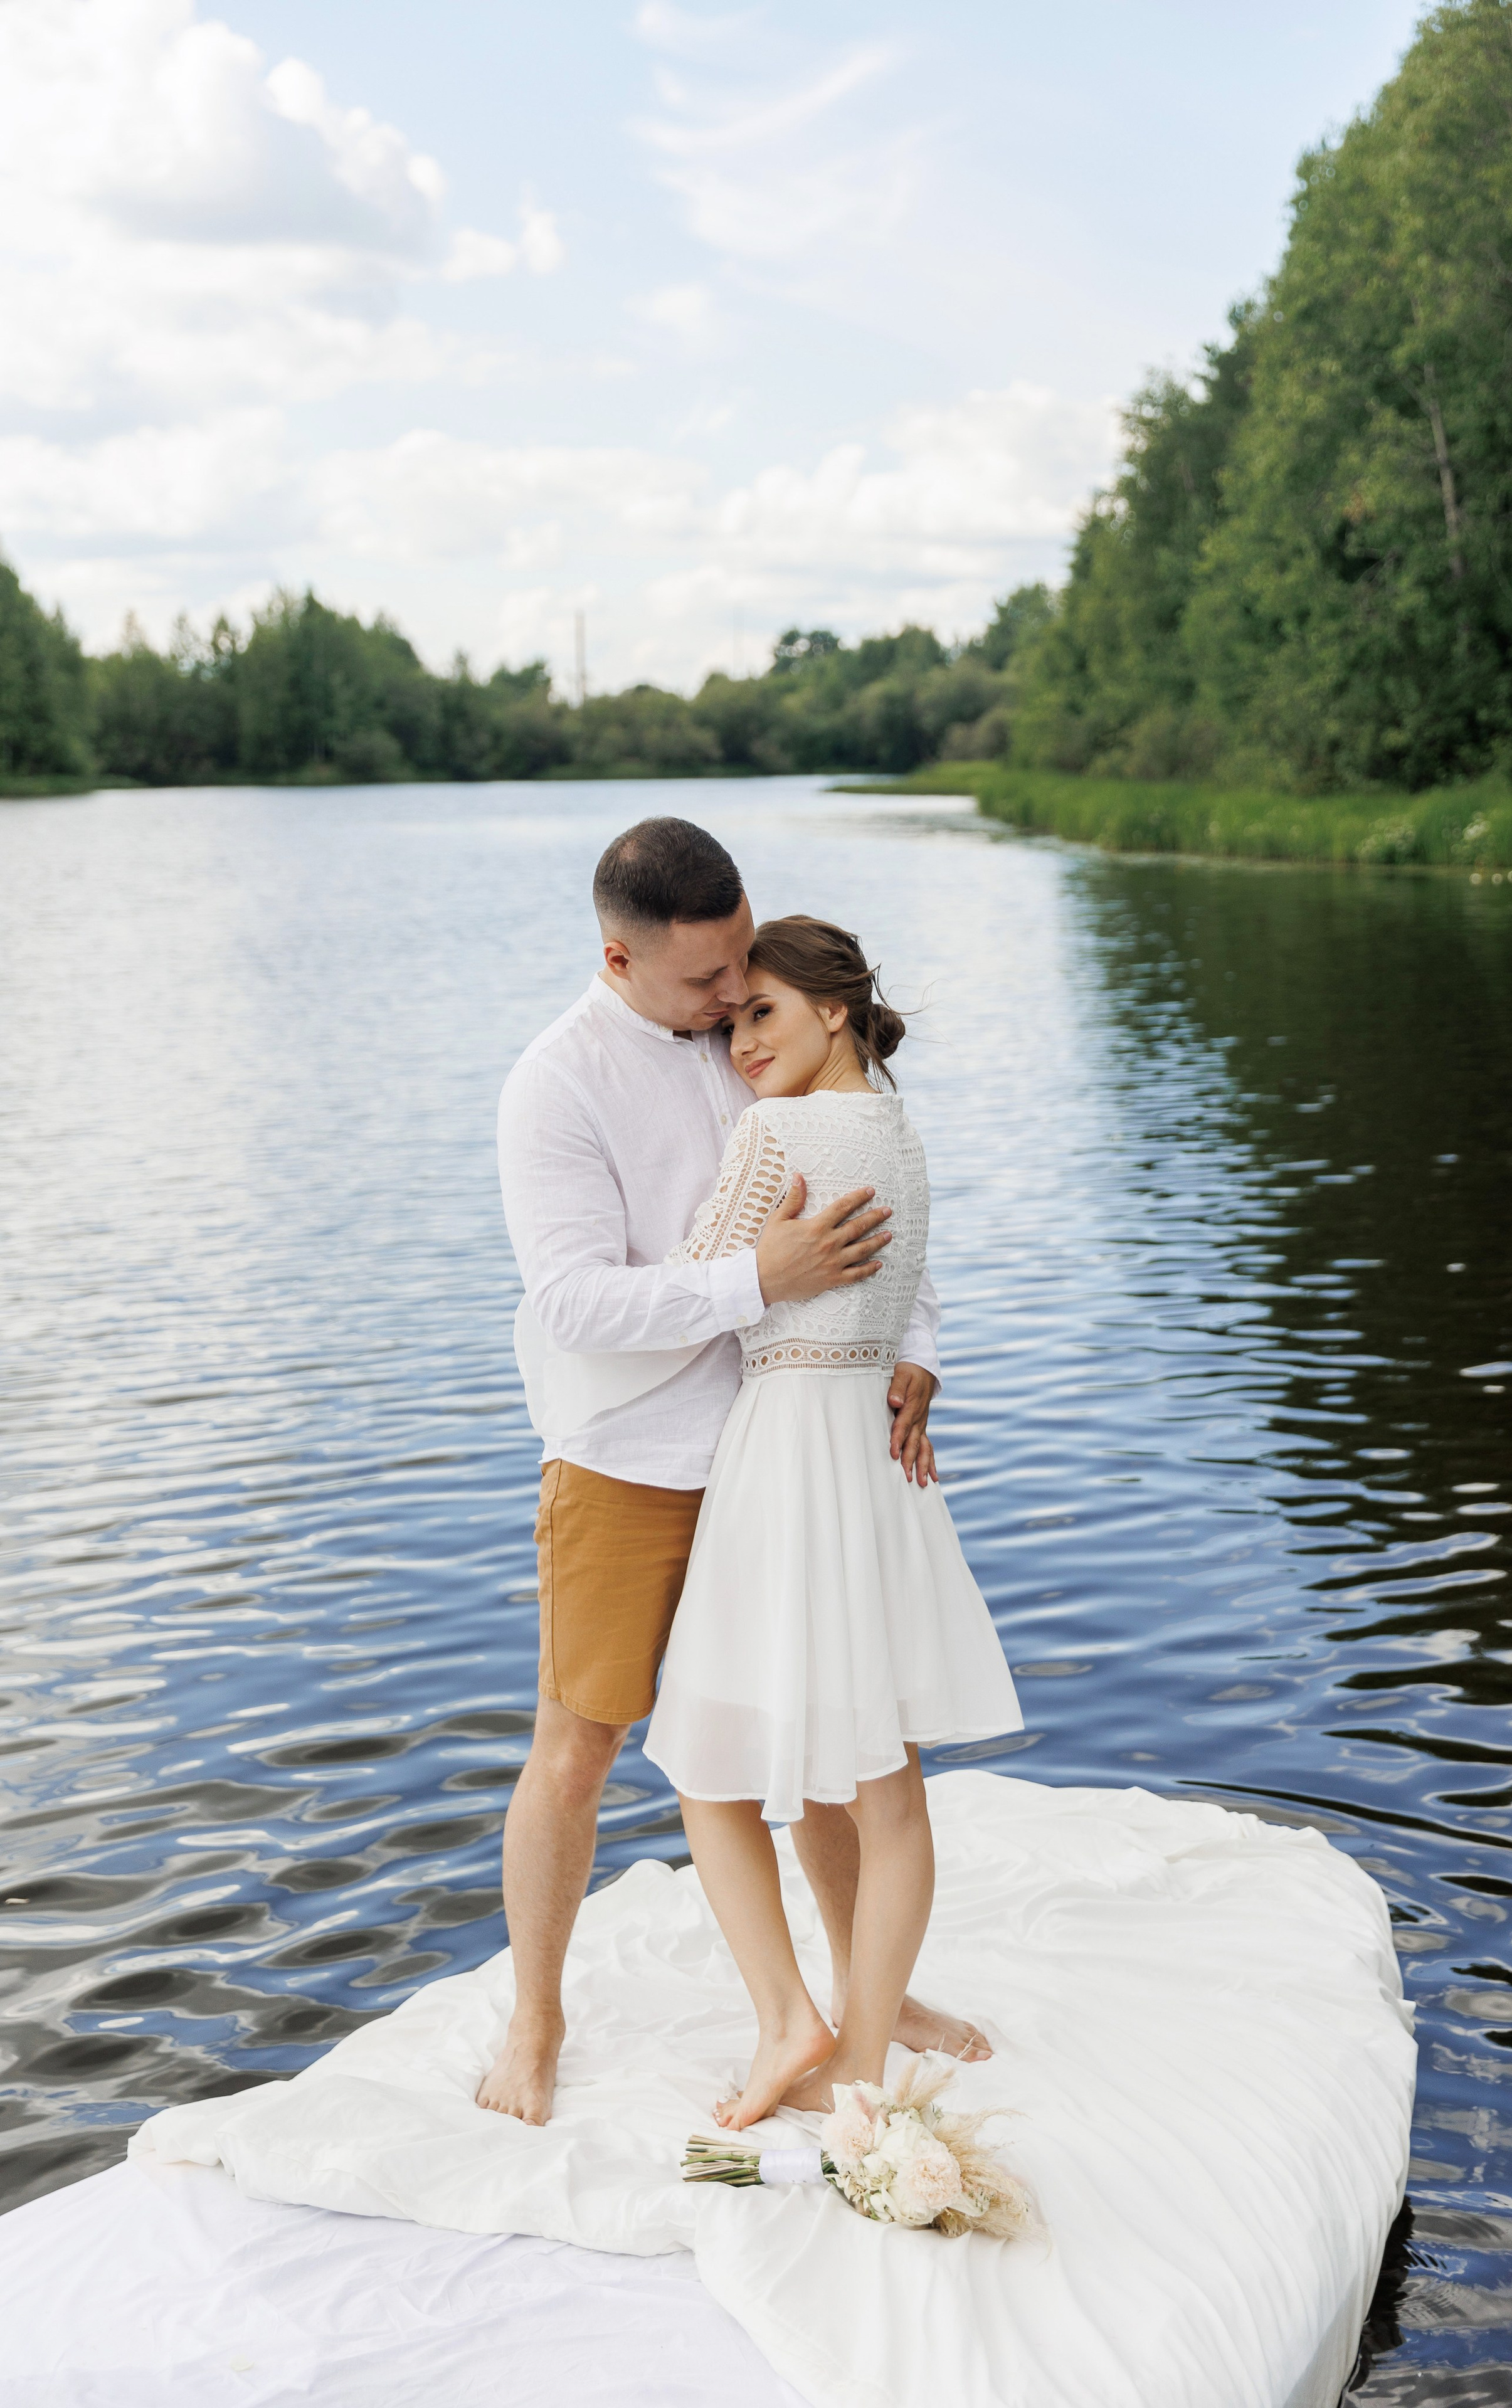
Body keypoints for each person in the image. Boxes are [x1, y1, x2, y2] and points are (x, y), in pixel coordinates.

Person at [480, 818, 989, 2126]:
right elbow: (574, 1305)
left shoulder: (766, 1030)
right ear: (617, 955)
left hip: (792, 1457)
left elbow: (879, 1234)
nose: (727, 1008)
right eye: (705, 983)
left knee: (825, 1724)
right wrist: (755, 1281)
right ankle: (535, 2019)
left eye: (740, 978)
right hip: (634, 1457)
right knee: (582, 1741)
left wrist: (913, 1353)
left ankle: (854, 1997)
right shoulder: (557, 1084)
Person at [642, 914, 1022, 2126]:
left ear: (834, 1011)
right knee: (881, 1776)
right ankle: (866, 2047)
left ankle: (803, 2022)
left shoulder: (770, 1133)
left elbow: (697, 1281)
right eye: (734, 1018)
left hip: (789, 1448)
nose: (740, 1042)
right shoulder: (899, 1132)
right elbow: (902, 1283)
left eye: (764, 1014)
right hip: (873, 1448)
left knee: (712, 1754)